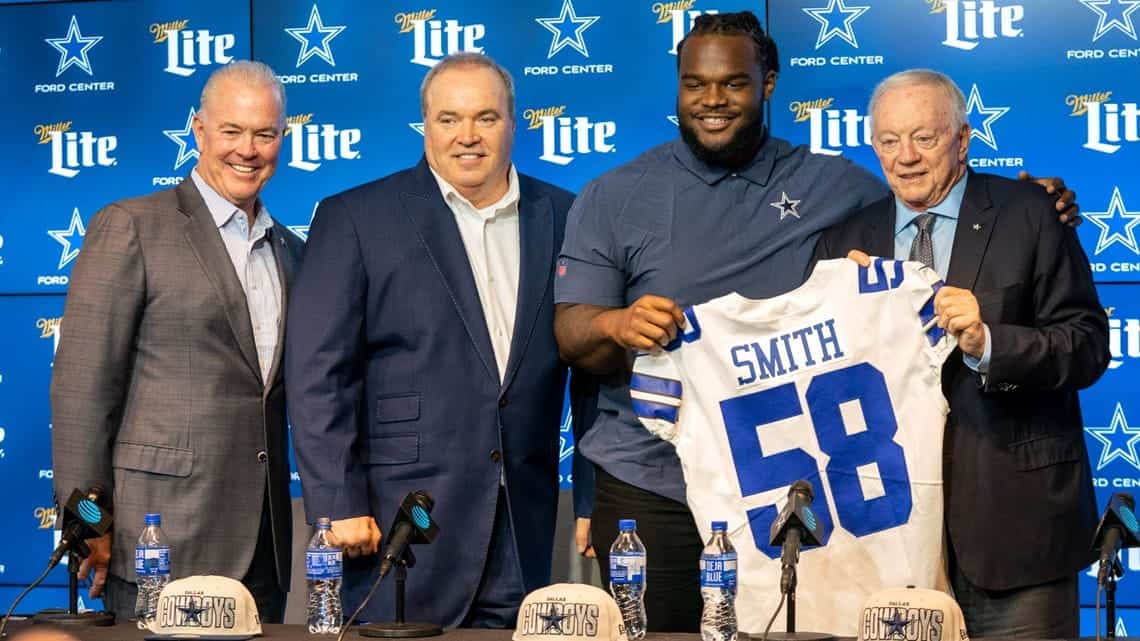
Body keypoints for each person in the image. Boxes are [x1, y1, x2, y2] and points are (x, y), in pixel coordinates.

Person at [553, 11, 1078, 632]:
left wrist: (1031, 203)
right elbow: (570, 334)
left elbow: (934, 198)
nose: (713, 100)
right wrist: (619, 326)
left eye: (734, 84)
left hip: (794, 491)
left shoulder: (838, 188)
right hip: (650, 487)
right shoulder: (614, 195)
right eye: (695, 84)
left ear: (768, 83)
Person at [813, 69, 1108, 638]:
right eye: (889, 140)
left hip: (1016, 536)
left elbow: (1088, 345)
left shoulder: (1031, 214)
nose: (905, 157)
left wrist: (988, 342)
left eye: (924, 138)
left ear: (963, 140)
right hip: (890, 543)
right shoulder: (844, 243)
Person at [285, 52, 576, 628]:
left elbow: (594, 367)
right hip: (398, 528)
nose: (467, 136)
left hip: (522, 523)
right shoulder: (356, 217)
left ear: (514, 123)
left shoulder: (565, 214)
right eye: (449, 119)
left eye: (486, 118)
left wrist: (592, 498)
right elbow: (319, 372)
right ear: (425, 124)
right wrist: (336, 503)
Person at [50, 60, 302, 624]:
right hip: (159, 537)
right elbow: (81, 386)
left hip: (264, 544)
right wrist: (87, 519)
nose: (248, 149)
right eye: (232, 131)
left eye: (265, 133)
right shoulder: (132, 226)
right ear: (199, 130)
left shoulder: (291, 249)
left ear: (282, 138)